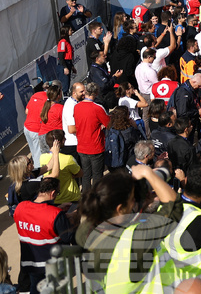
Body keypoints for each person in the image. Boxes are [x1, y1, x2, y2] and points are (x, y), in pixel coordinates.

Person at [77, 166, 183, 294]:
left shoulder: (86, 229)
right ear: (120, 208)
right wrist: (147, 173)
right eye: (133, 199)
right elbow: (174, 207)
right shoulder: (135, 238)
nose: (134, 201)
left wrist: (139, 205)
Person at [14, 177, 69, 294]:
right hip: (51, 265)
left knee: (35, 287)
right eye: (57, 193)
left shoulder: (20, 208)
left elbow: (36, 217)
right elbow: (67, 237)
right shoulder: (55, 214)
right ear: (53, 193)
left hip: (30, 262)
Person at [73, 82, 109, 193]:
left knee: (86, 174)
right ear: (96, 93)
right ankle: (96, 198)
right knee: (97, 174)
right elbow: (108, 124)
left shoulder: (76, 107)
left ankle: (86, 196)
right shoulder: (98, 108)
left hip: (82, 146)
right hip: (95, 146)